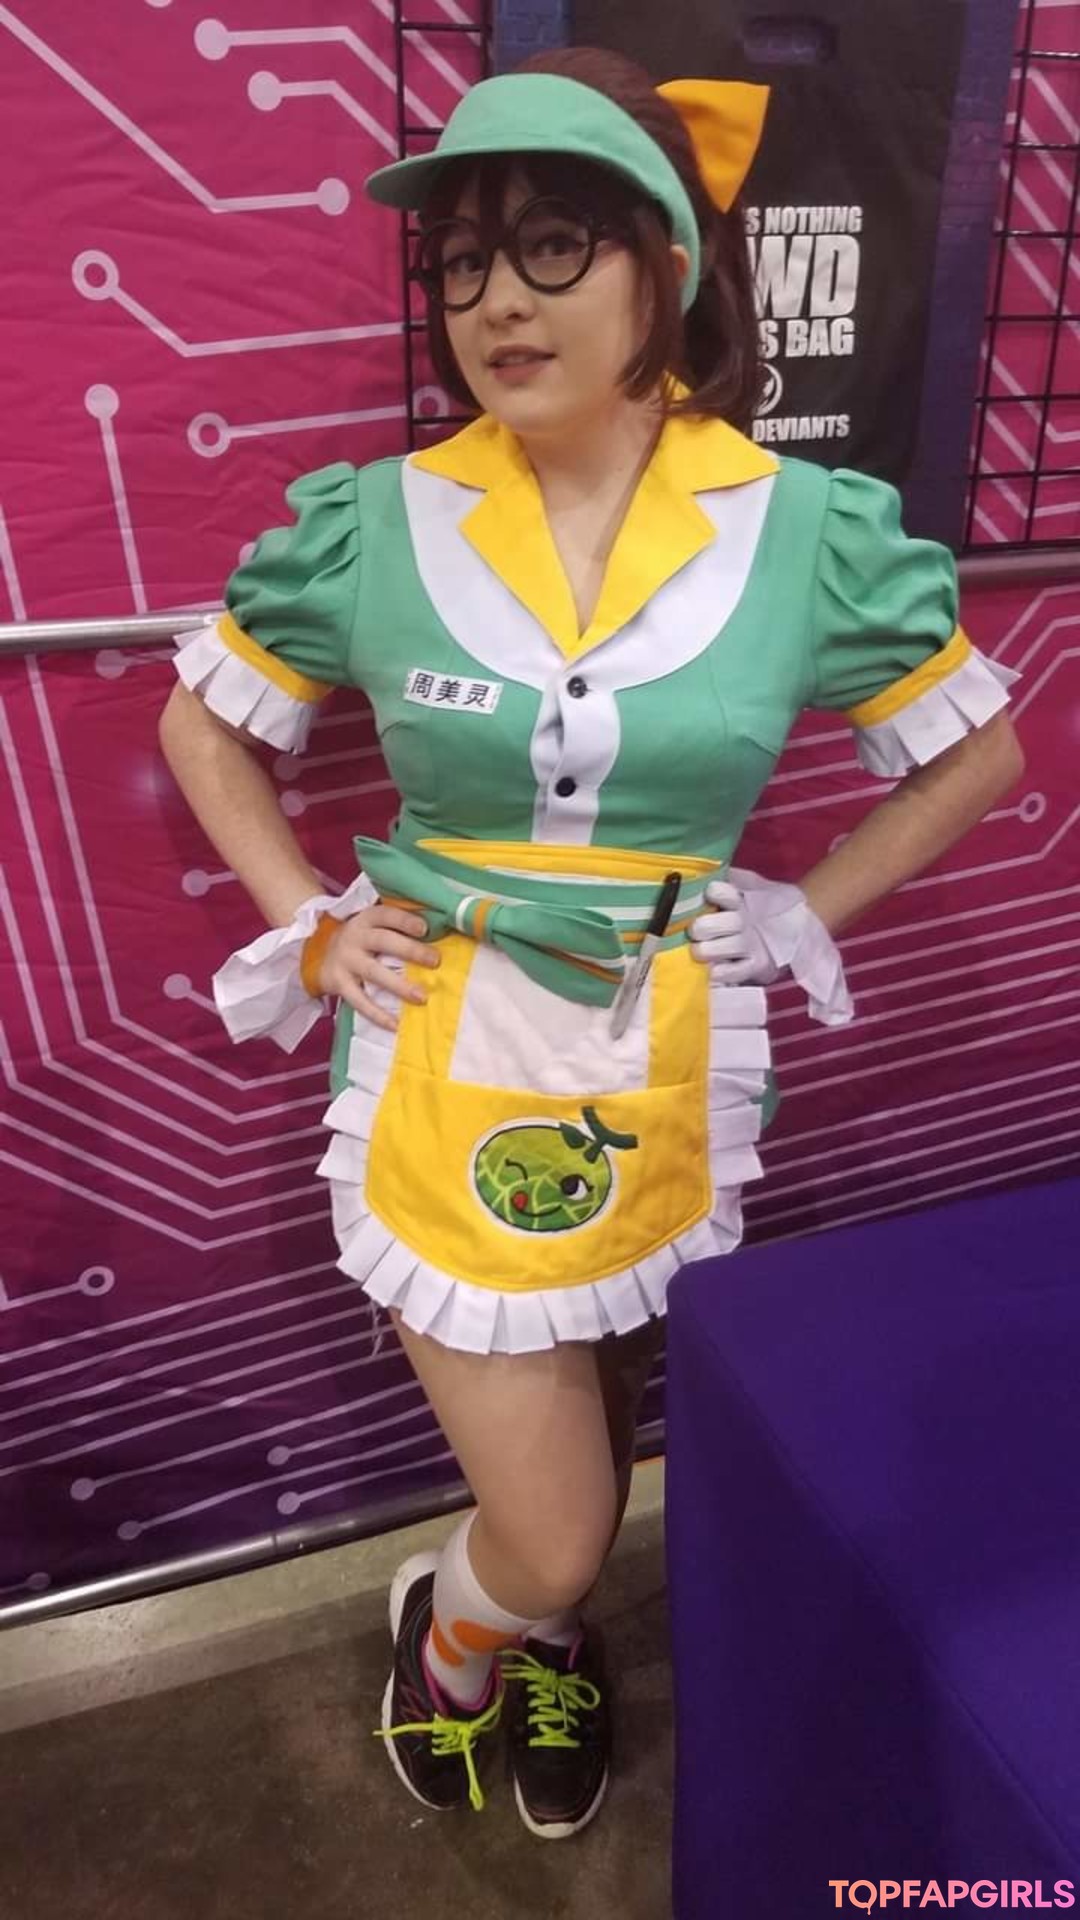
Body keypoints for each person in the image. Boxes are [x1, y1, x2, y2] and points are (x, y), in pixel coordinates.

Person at [158, 44, 1024, 1840]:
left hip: (658, 1045)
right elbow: (204, 727)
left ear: (668, 266)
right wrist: (308, 926)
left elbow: (978, 754)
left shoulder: (805, 533)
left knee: (600, 1390)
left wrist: (801, 906)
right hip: (439, 1037)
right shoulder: (375, 522)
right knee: (556, 1523)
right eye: (465, 260)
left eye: (553, 244)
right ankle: (462, 1629)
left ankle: (541, 1631)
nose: (496, 299)